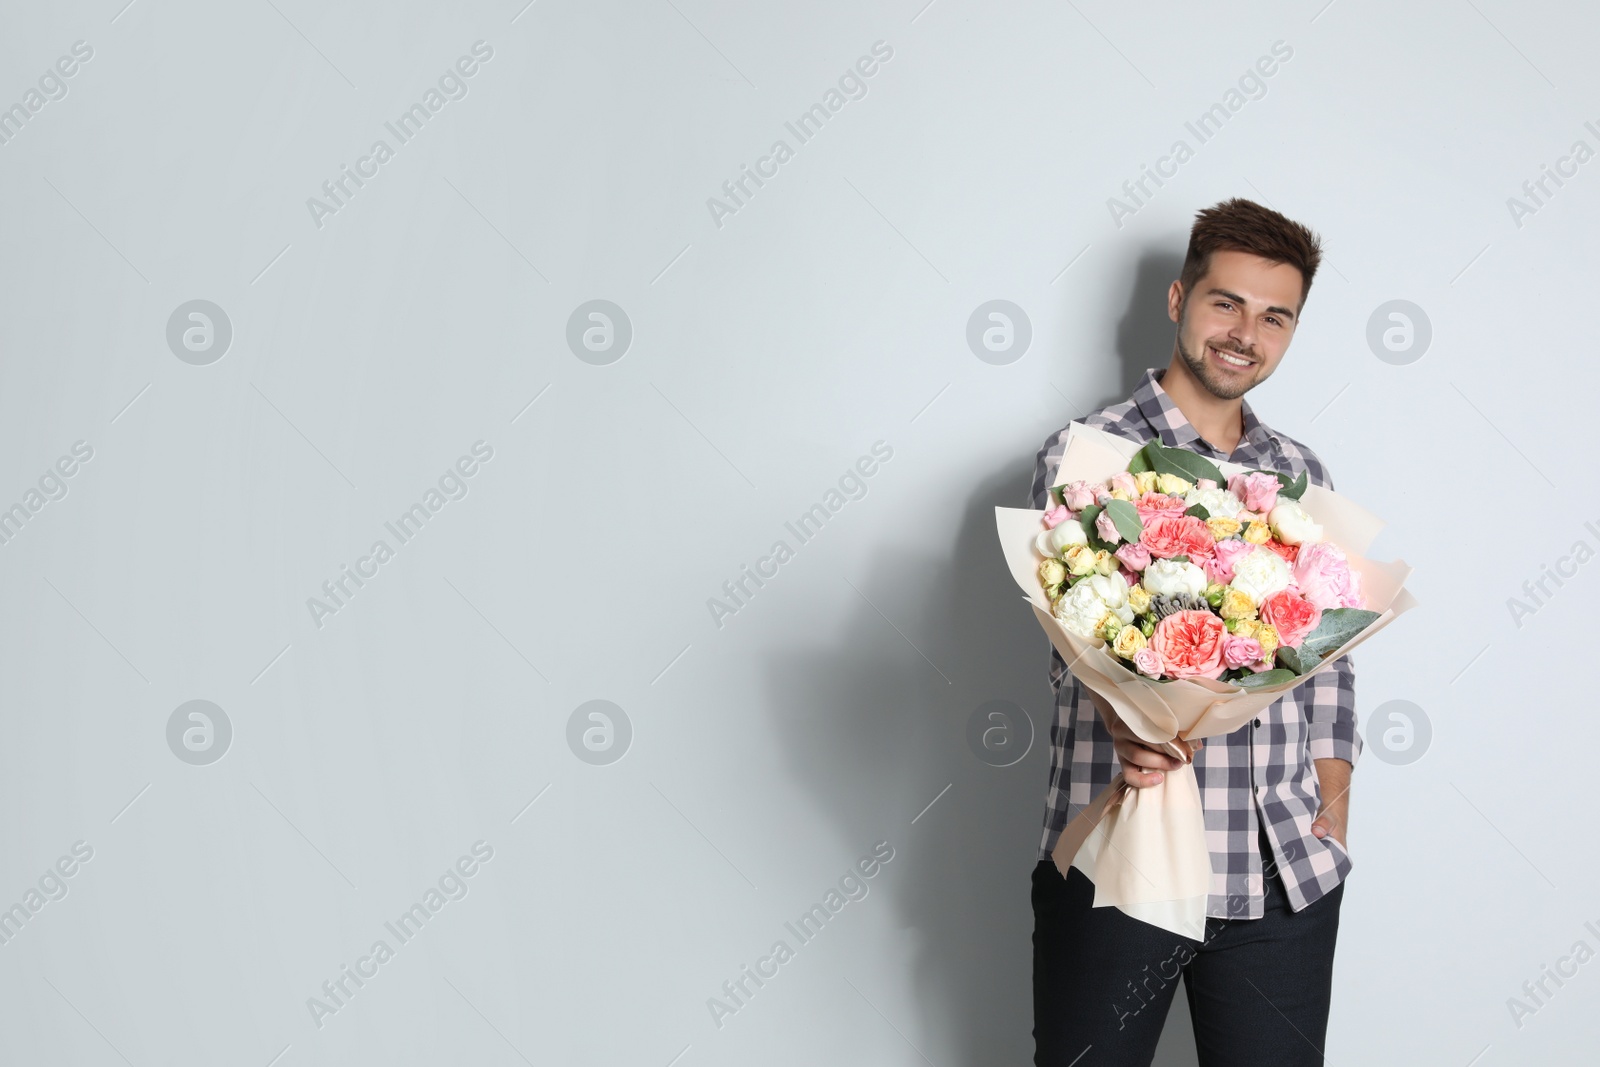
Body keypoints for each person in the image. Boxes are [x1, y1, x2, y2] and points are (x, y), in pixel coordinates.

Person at [1028, 198, 1362, 1066]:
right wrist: (1123, 721)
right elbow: (1070, 643)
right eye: (1226, 302)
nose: (1245, 332)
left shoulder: (1301, 471)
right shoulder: (1089, 453)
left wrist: (1332, 809)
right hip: (1120, 858)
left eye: (1274, 315)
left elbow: (1327, 666)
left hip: (1283, 870)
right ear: (1178, 300)